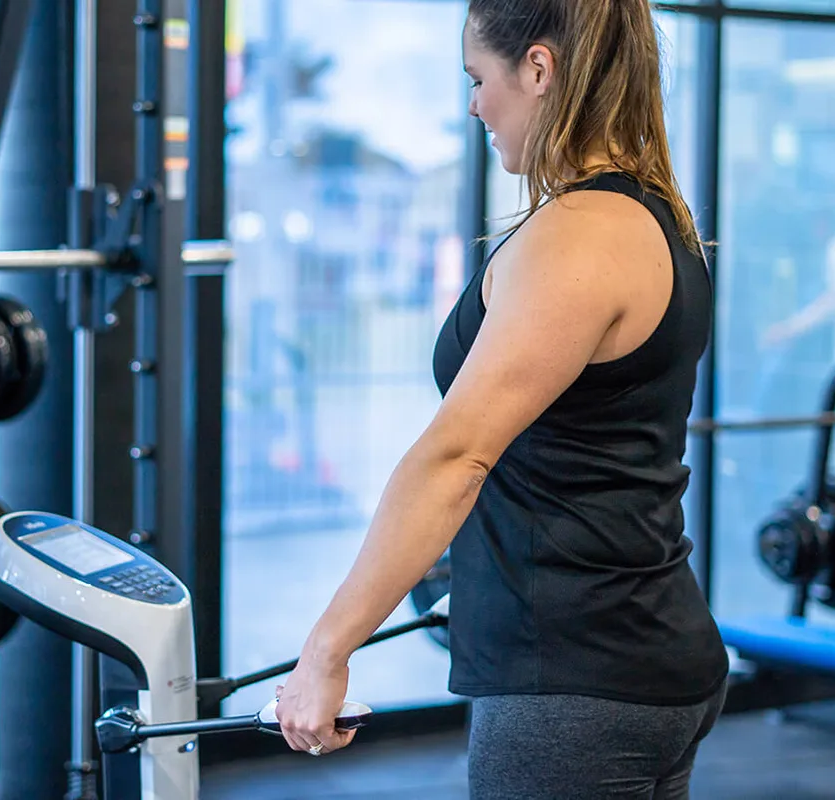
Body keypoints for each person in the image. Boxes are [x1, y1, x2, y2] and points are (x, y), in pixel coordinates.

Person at [273, 1, 731, 797]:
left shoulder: (580, 233)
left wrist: (327, 651)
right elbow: (580, 445)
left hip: (573, 685)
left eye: (479, 79)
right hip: (645, 653)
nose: (476, 105)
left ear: (539, 69)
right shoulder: (660, 221)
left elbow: (456, 455)